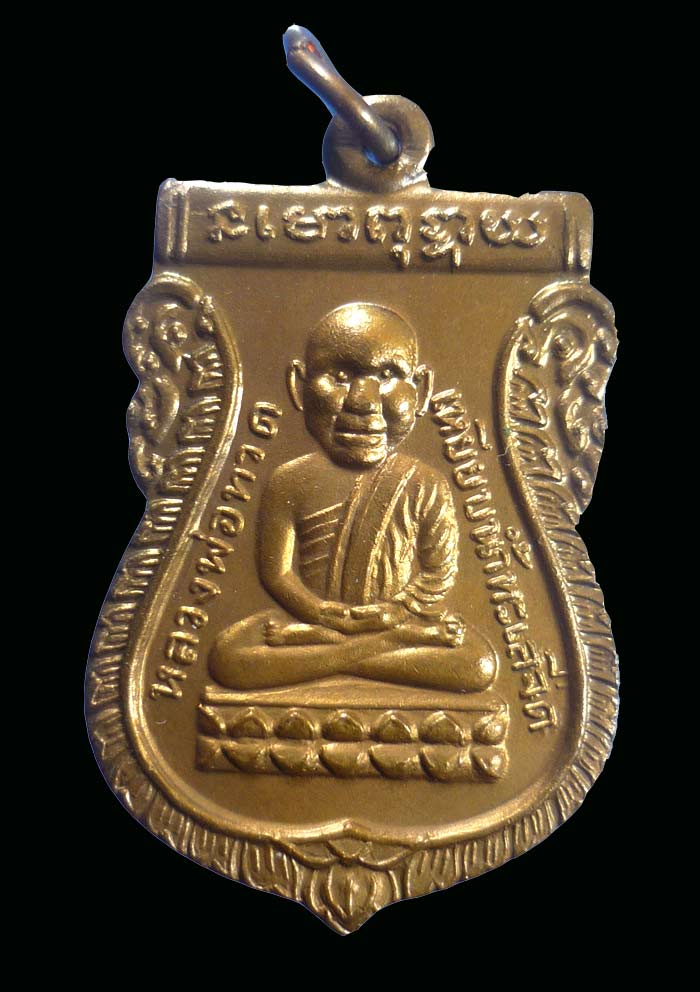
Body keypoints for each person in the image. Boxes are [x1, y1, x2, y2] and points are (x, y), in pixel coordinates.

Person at [209, 302, 497, 693]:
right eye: (341, 376)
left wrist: (395, 614)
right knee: (229, 655)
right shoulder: (289, 480)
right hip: (317, 625)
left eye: (388, 375)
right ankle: (368, 653)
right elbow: (277, 574)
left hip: (387, 625)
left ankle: (341, 656)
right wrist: (319, 613)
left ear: (422, 391)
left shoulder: (424, 483)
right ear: (298, 386)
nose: (362, 400)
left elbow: (437, 573)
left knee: (476, 663)